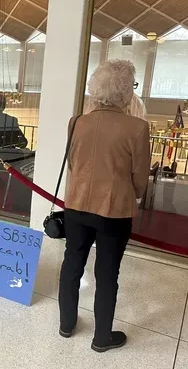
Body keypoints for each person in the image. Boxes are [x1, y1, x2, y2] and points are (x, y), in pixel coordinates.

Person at [59, 60, 150, 352]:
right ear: (126, 92)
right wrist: (129, 191)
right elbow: (140, 178)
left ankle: (66, 324)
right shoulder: (137, 128)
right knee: (108, 273)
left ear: (95, 89)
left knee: (72, 263)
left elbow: (73, 163)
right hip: (115, 210)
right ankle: (101, 338)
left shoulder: (76, 122)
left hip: (75, 205)